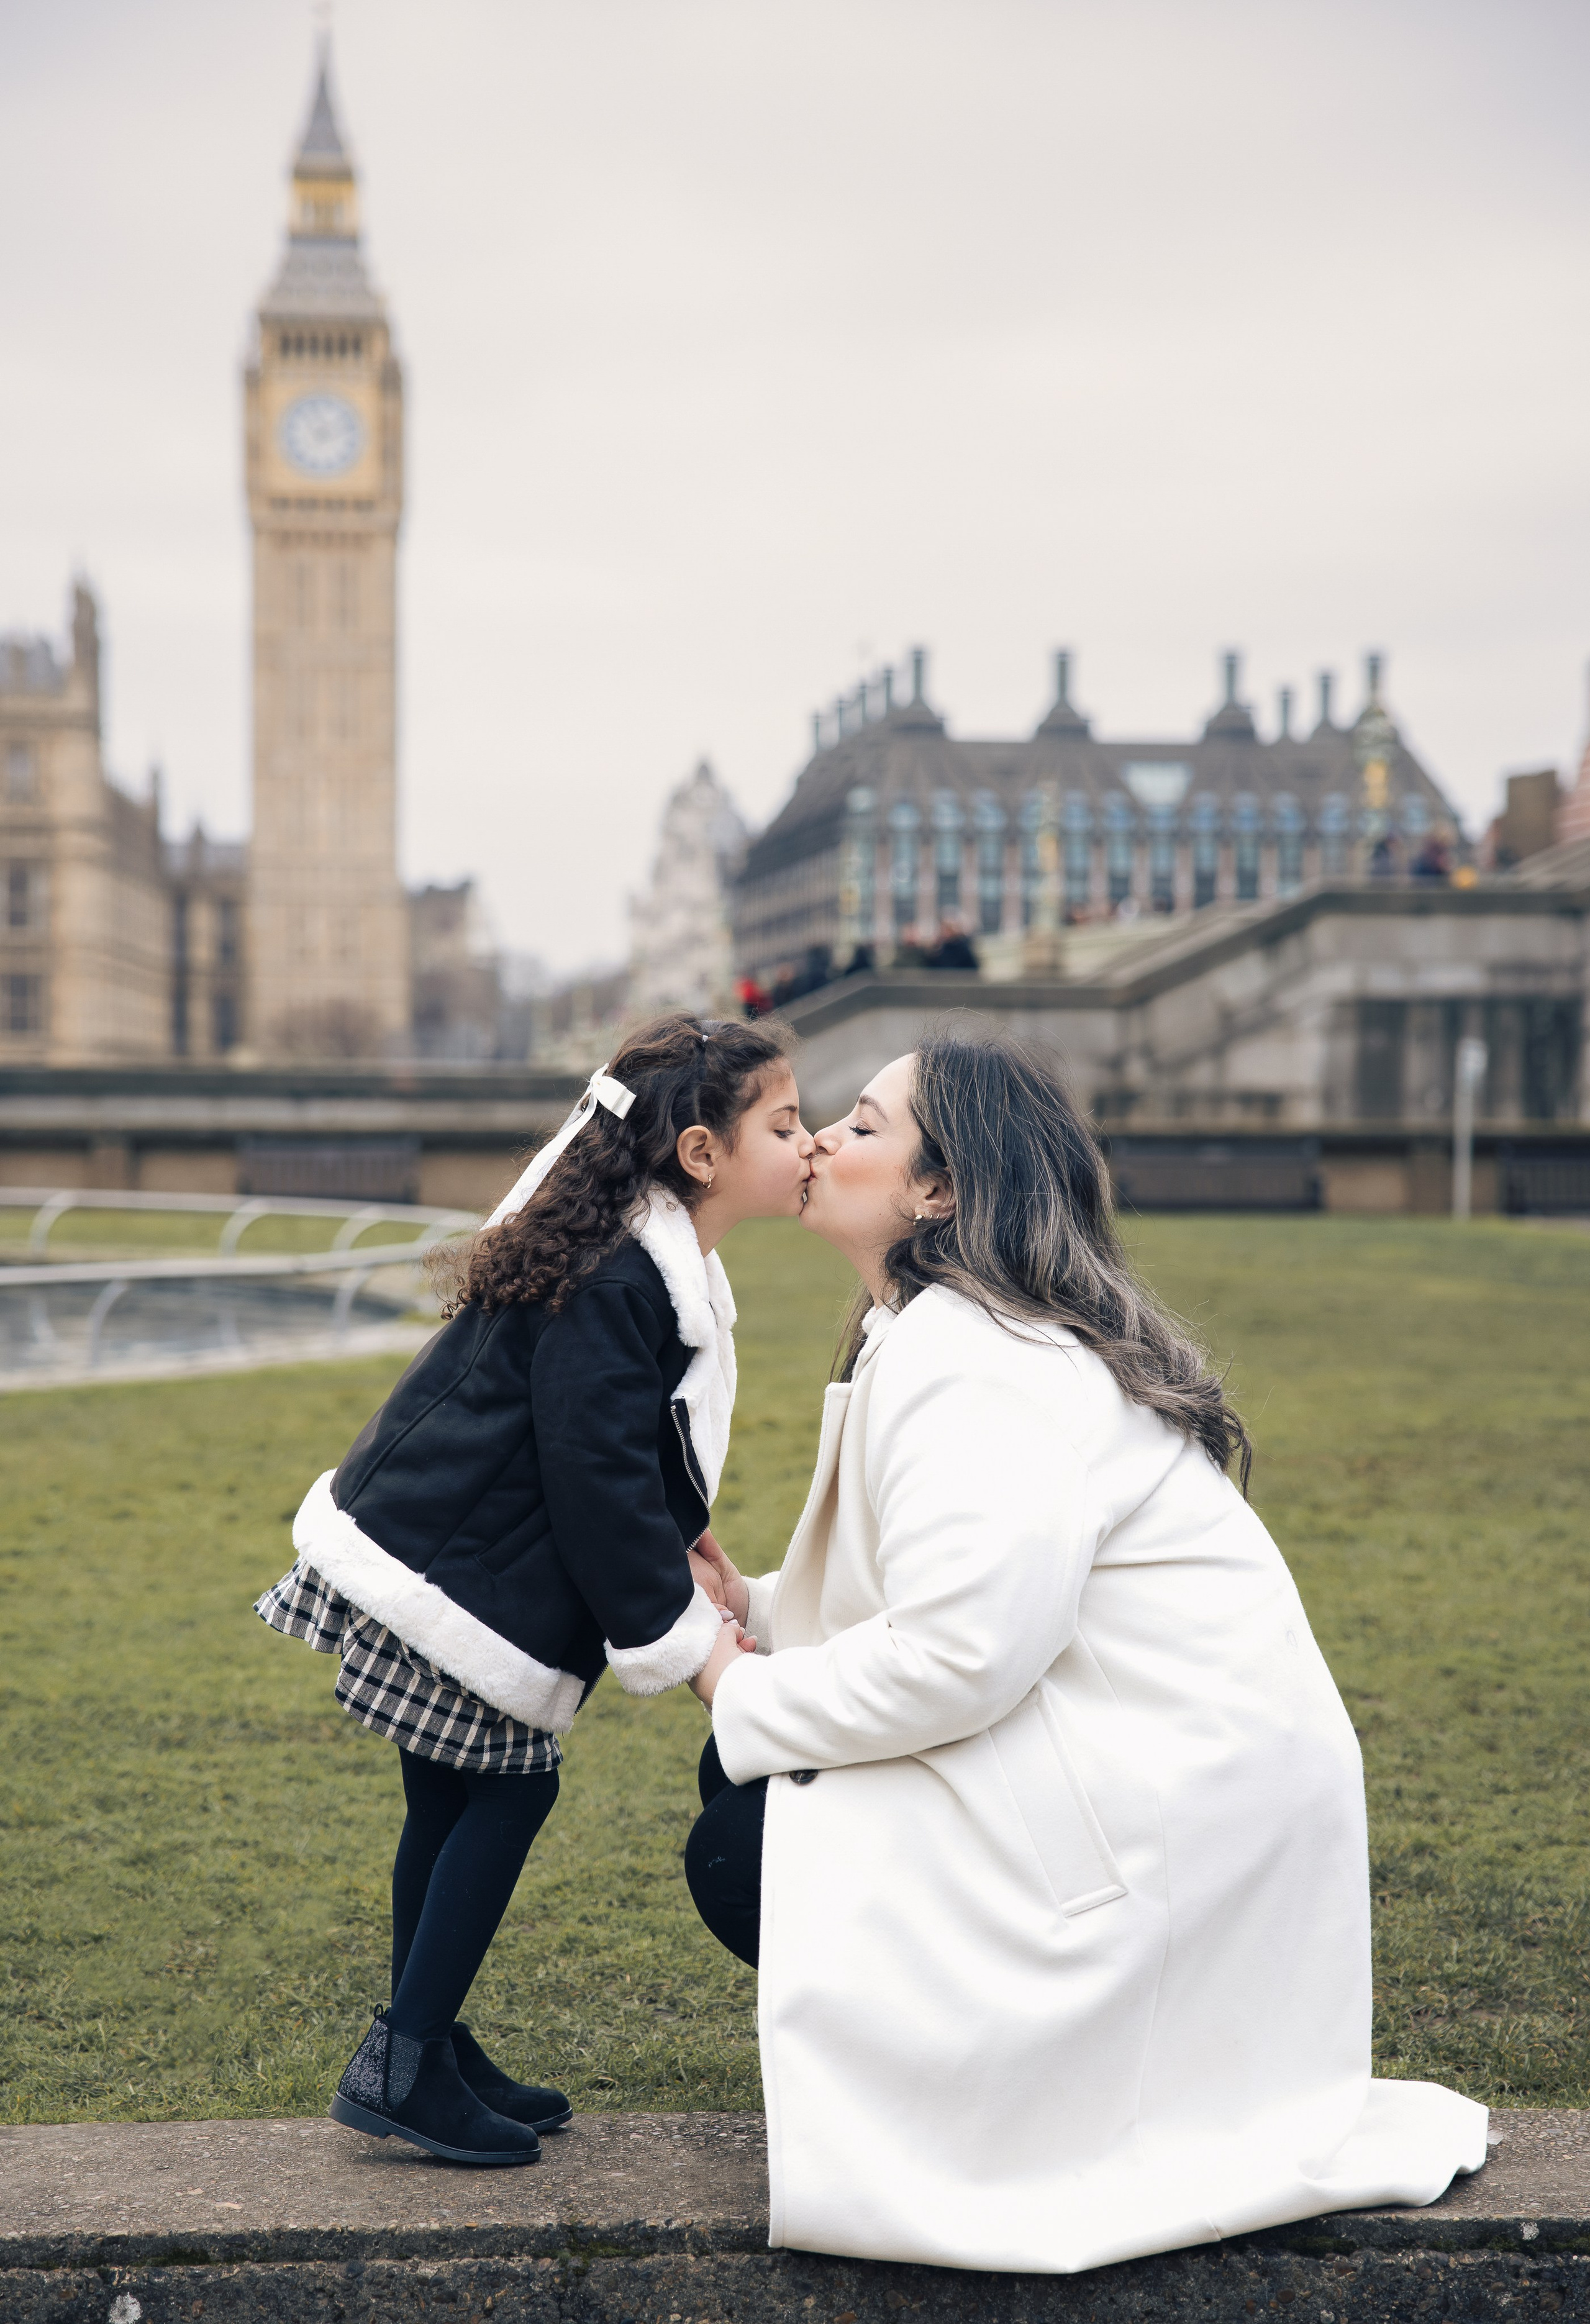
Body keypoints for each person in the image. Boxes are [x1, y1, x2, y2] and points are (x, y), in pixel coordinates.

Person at [683, 1030, 1486, 2274]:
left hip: (1175, 1807)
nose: (824, 1140)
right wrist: (754, 1602)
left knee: (744, 1841)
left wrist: (735, 1676)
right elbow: (949, 1599)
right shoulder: (945, 1332)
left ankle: (1008, 2107)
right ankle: (986, 2086)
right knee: (752, 1797)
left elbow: (961, 1650)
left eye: (862, 1124)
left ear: (939, 1190)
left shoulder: (978, 1359)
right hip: (1156, 1770)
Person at [255, 1014, 809, 2166]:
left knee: (448, 1798)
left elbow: (630, 1433)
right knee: (508, 1792)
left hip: (443, 1539)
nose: (809, 1141)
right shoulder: (625, 1274)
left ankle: (425, 2039)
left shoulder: (644, 1255)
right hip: (455, 1564)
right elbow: (595, 1470)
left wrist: (695, 1539)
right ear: (703, 1153)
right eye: (786, 1123)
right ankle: (405, 2057)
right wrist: (690, 1643)